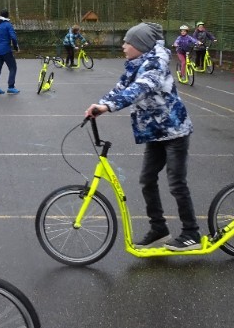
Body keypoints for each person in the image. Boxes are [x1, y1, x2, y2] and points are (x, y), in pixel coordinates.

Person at [83, 22, 200, 250]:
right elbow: (121, 88)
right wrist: (101, 104)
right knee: (147, 180)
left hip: (174, 131)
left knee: (176, 183)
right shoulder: (136, 63)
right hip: (155, 133)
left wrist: (108, 107)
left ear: (141, 45)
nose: (124, 46)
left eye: (128, 42)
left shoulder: (155, 64)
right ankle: (159, 229)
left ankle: (191, 233)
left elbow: (140, 88)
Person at [0, 9, 20, 94]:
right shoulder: (8, 25)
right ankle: (11, 87)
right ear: (7, 15)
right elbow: (13, 37)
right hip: (6, 50)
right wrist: (16, 47)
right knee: (13, 68)